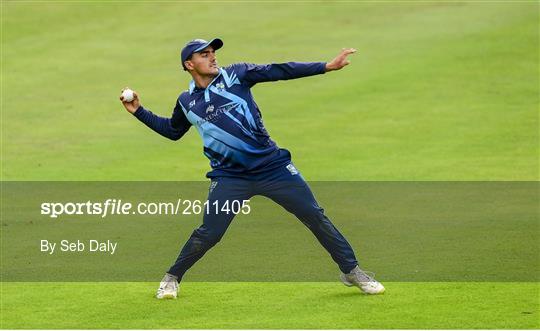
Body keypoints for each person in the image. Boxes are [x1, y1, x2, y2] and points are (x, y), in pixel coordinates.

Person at [119, 38, 385, 299]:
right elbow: (172, 131)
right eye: (204, 54)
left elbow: (278, 70)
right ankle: (172, 277)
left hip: (273, 168)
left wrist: (325, 66)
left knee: (314, 216)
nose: (213, 57)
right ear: (189, 64)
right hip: (230, 177)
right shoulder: (187, 101)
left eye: (213, 52)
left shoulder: (236, 75)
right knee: (210, 233)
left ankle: (352, 271)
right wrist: (139, 111)